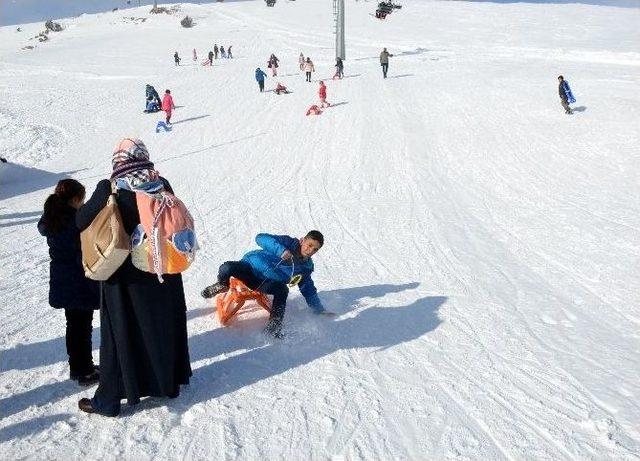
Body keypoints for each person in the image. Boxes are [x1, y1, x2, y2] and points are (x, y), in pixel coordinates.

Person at [76, 138, 192, 417]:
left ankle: (108, 401)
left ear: (118, 161)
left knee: (120, 337)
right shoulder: (160, 183)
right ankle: (168, 385)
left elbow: (81, 222)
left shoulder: (111, 187)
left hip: (124, 278)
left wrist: (103, 192)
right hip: (162, 272)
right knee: (163, 327)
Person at [201, 231, 329, 337]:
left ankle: (274, 325)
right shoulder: (287, 242)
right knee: (227, 267)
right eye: (309, 244)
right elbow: (261, 238)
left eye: (315, 249)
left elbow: (308, 289)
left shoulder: (305, 267)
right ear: (302, 240)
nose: (310, 250)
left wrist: (319, 309)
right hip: (250, 267)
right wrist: (281, 251)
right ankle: (222, 285)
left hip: (265, 283)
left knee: (282, 290)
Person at [38, 179, 100, 387]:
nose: (82, 204)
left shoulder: (52, 217)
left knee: (74, 326)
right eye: (81, 200)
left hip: (62, 278)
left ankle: (79, 368)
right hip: (78, 280)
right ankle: (85, 371)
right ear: (74, 199)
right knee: (82, 327)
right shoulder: (74, 220)